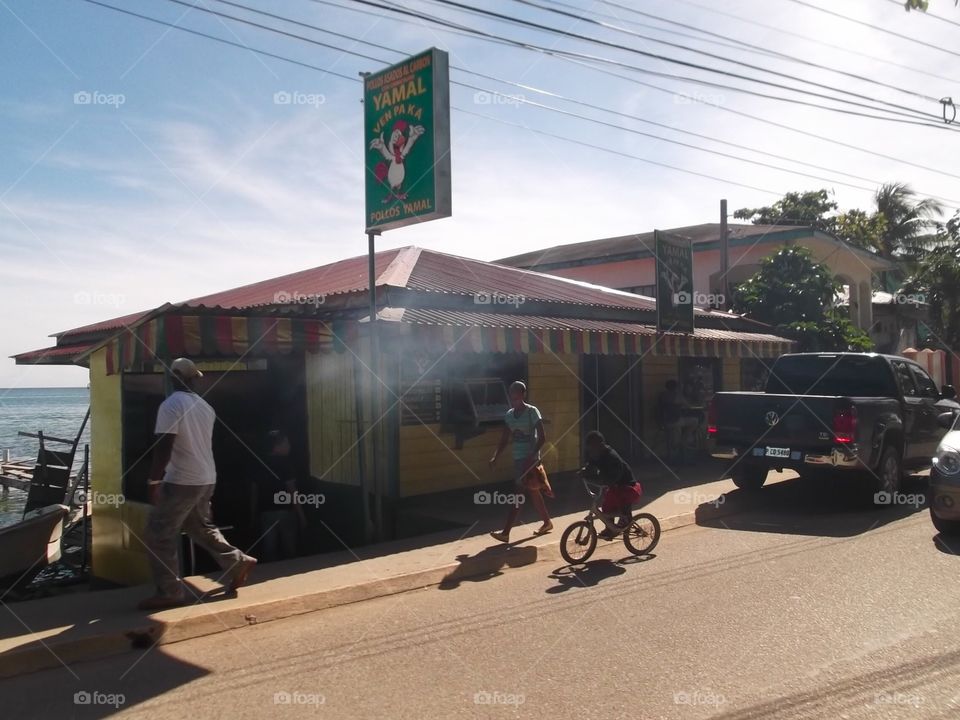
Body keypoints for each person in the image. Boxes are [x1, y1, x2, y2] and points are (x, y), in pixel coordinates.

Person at [139, 357, 257, 610]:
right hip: (206, 478)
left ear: (173, 378)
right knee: (200, 527)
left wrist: (153, 480)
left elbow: (164, 446)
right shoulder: (205, 407)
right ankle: (237, 562)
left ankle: (169, 591)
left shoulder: (170, 405)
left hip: (182, 480)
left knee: (158, 534)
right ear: (193, 379)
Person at [488, 381, 553, 542]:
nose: (514, 401)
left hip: (530, 460)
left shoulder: (532, 412)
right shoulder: (509, 415)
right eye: (512, 397)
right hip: (518, 459)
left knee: (518, 495)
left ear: (523, 395)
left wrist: (532, 456)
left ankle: (505, 533)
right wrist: (496, 456)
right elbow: (504, 439)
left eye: (517, 397)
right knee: (533, 491)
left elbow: (542, 437)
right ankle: (547, 523)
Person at [580, 431, 643, 540]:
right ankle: (610, 528)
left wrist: (598, 480)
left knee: (620, 500)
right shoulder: (596, 455)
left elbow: (612, 478)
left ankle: (625, 518)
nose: (591, 451)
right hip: (615, 486)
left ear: (601, 444)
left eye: (593, 447)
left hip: (627, 486)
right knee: (606, 506)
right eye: (590, 448)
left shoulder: (611, 457)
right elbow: (591, 465)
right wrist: (584, 472)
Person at [255, 430, 305, 562]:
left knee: (269, 551)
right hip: (285, 512)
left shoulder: (260, 464)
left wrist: (253, 512)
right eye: (286, 443)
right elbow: (292, 491)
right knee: (289, 550)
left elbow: (254, 490)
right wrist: (301, 515)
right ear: (277, 446)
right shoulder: (286, 464)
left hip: (265, 512)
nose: (289, 446)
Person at [657, 379, 698, 464]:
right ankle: (684, 441)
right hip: (675, 421)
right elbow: (688, 406)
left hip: (663, 422)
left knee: (677, 430)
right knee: (694, 420)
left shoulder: (662, 395)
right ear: (676, 387)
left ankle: (681, 443)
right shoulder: (677, 395)